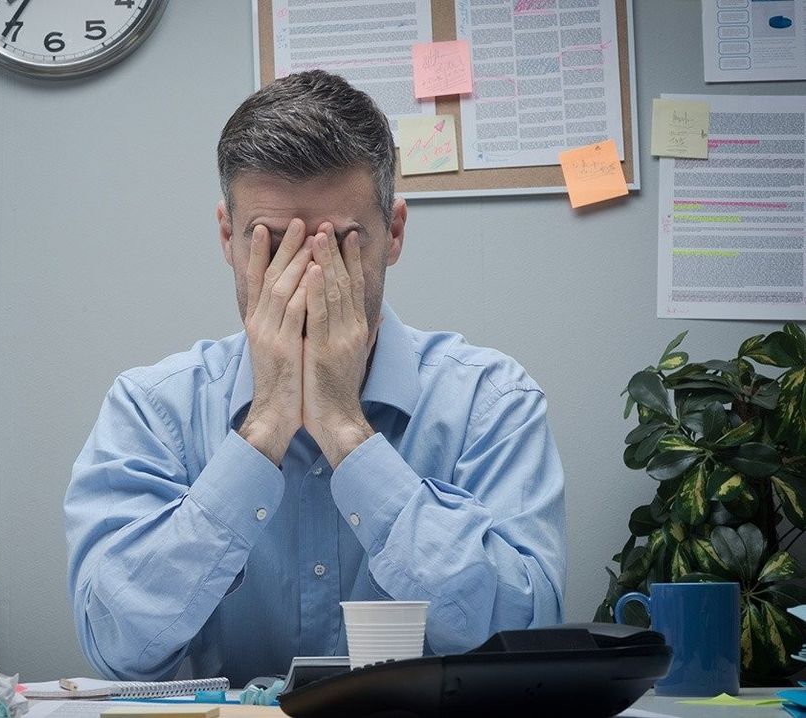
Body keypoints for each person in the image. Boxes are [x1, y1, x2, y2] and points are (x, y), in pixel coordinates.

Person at [65, 70, 565, 687]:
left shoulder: (491, 402)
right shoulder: (151, 409)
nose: (304, 274)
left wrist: (347, 433)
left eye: (338, 244)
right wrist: (265, 426)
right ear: (227, 236)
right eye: (271, 243)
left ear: (395, 233)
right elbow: (116, 643)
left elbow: (527, 638)